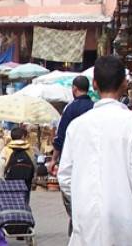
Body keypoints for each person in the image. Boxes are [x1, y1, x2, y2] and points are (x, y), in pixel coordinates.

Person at [57, 56, 132, 245]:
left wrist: (84, 197)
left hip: (85, 227)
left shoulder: (77, 126)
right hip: (125, 227)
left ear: (95, 85)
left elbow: (65, 176)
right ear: (124, 84)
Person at [50, 75, 93, 235]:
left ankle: (75, 221)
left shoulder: (70, 108)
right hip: (91, 160)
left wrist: (53, 160)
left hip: (73, 160)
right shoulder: (94, 107)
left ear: (74, 88)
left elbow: (60, 137)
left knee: (71, 191)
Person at [0, 127, 35, 201]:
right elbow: (34, 164)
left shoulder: (6, 148)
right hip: (26, 179)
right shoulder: (29, 148)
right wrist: (34, 178)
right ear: (22, 136)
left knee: (11, 200)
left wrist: (2, 178)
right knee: (25, 201)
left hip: (10, 179)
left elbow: (1, 165)